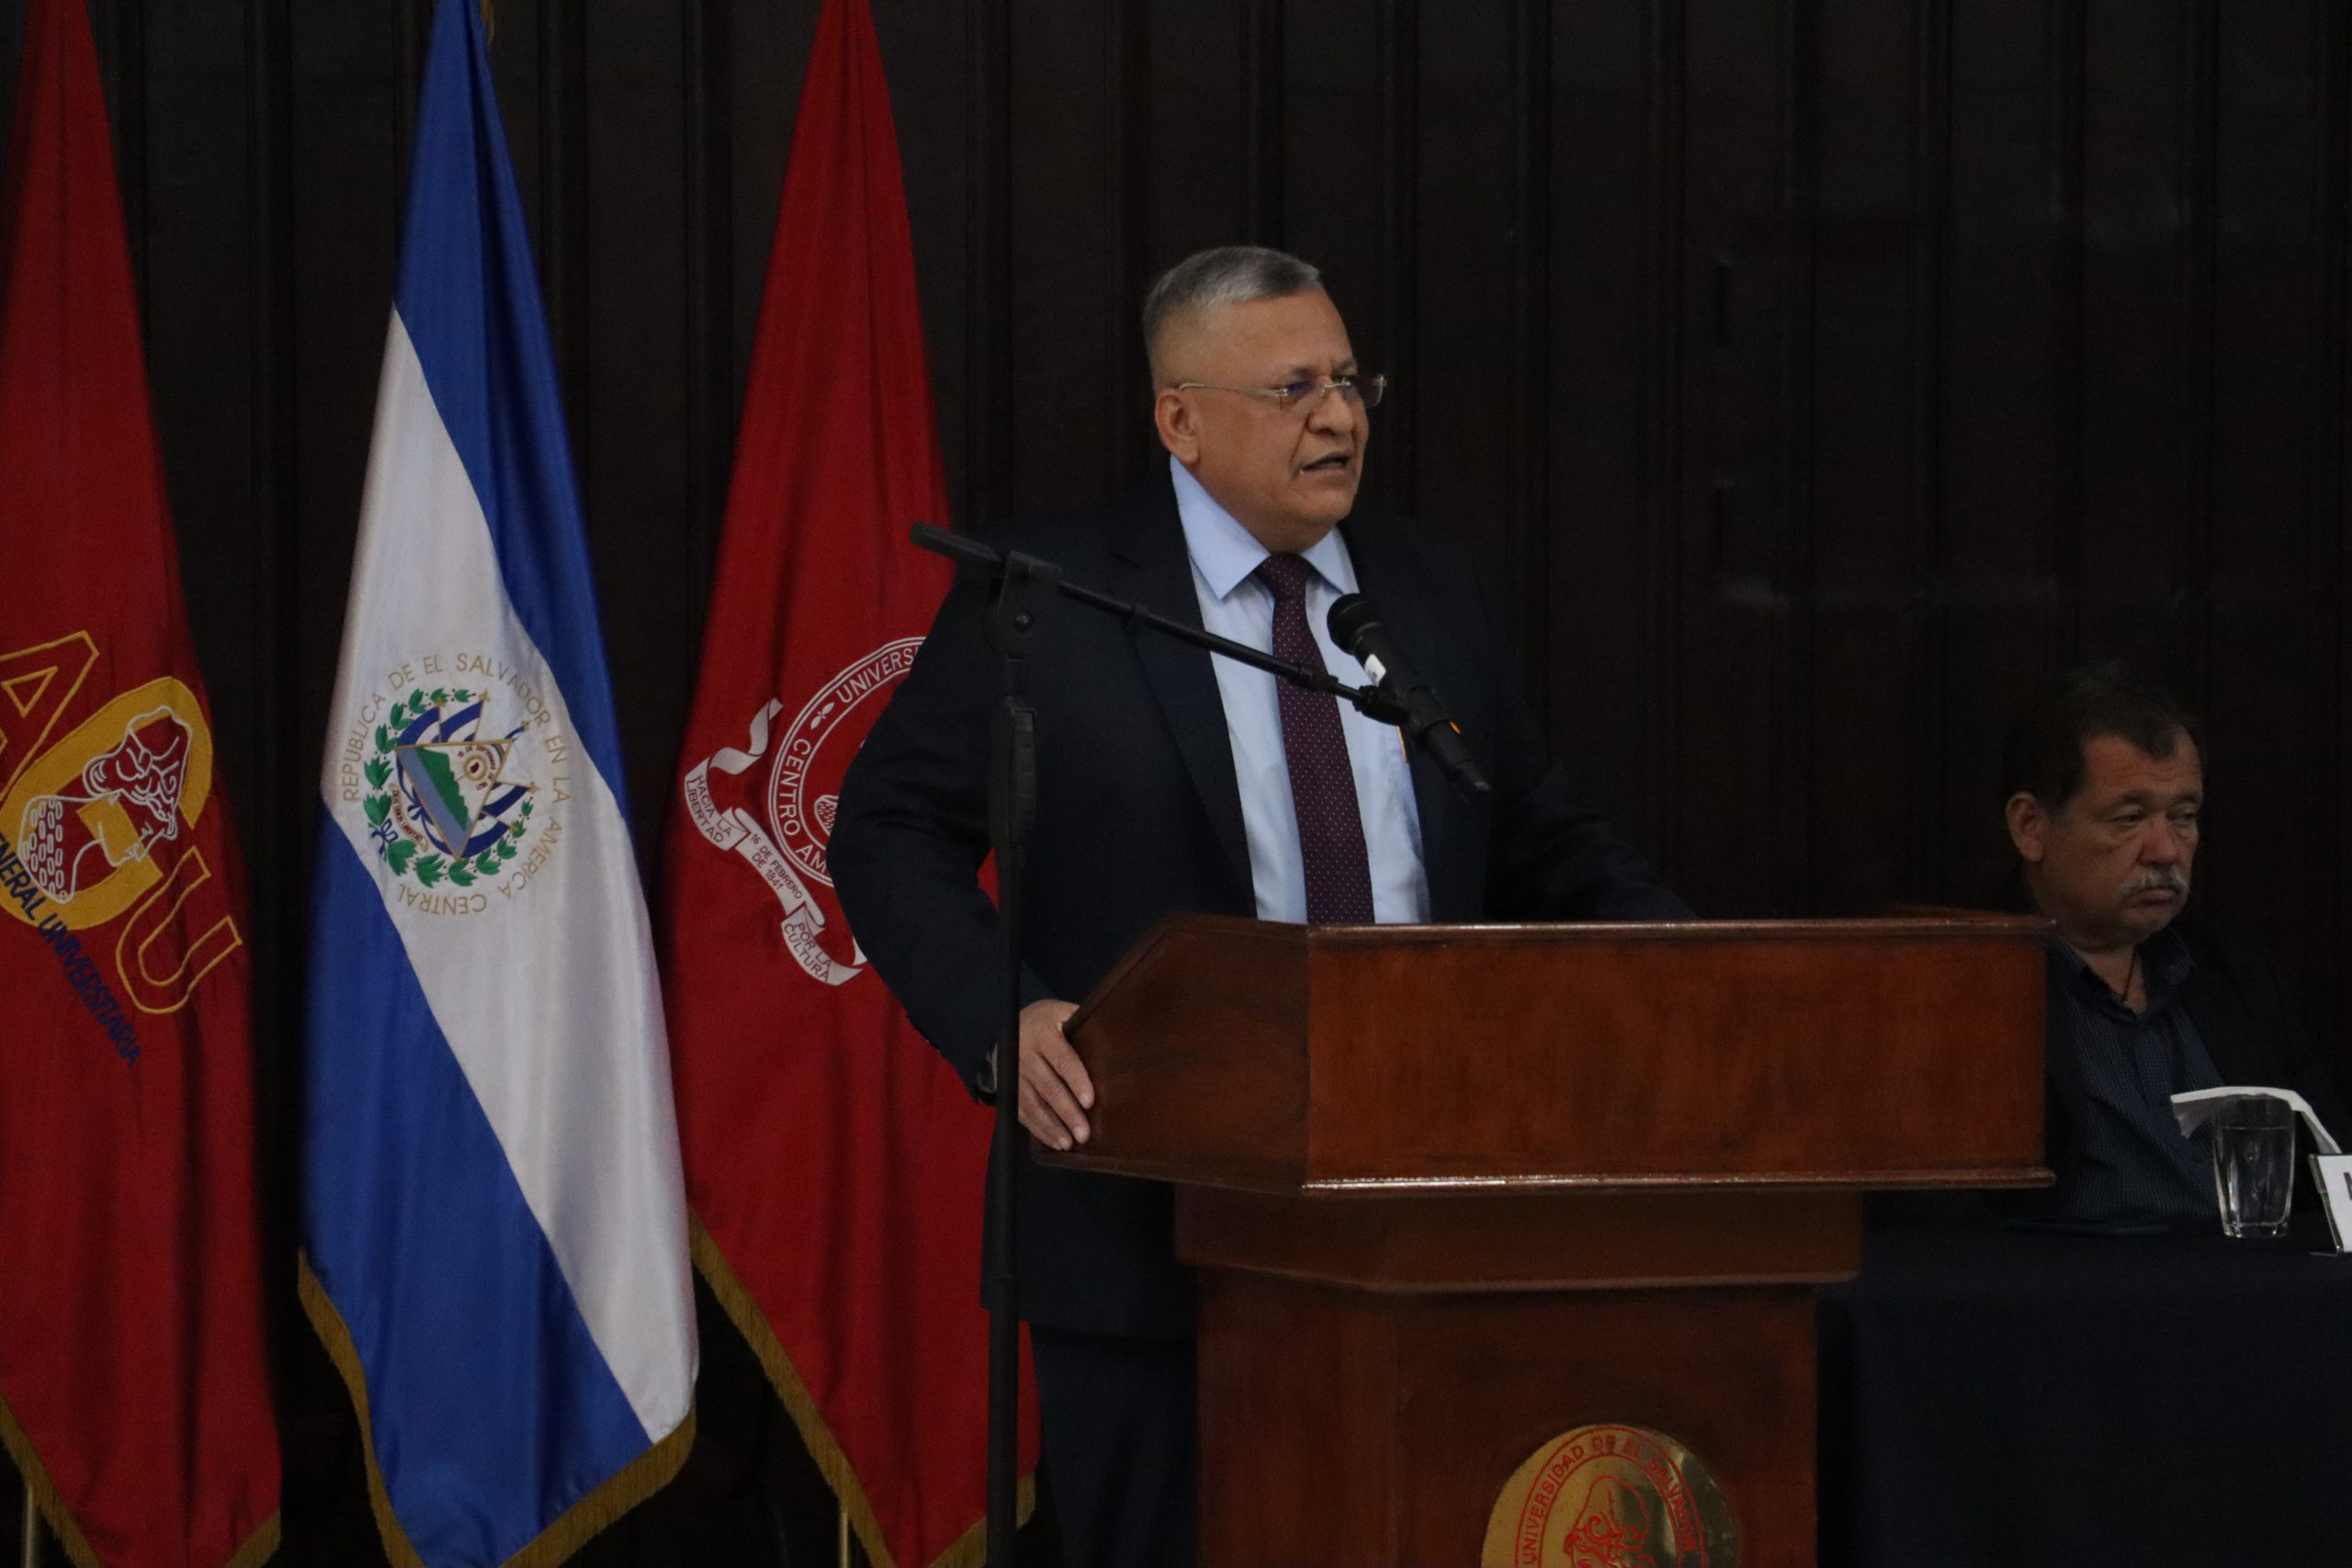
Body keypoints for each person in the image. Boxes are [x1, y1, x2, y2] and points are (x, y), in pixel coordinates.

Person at [830, 245, 1687, 1567]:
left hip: (1427, 1199)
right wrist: (1004, 1015)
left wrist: (1697, 971)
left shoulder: (1429, 587)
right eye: (1294, 389)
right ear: (1180, 419)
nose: (1338, 417)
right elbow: (889, 830)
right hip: (1148, 1214)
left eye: (1350, 382)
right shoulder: (1046, 592)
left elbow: (1537, 832)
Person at [2000, 663, 2348, 1232]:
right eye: (2130, 818)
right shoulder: (1964, 993)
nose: (2166, 851)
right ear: (2031, 826)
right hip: (2062, 1284)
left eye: (2184, 817)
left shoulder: (2237, 980)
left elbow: (2334, 1177)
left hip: (2254, 1281)